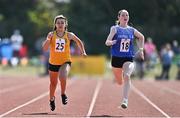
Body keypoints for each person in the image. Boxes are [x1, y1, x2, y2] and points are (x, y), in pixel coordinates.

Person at [42, 15, 87, 111]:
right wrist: (48, 39)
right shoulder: (51, 35)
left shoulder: (69, 35)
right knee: (53, 84)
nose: (60, 24)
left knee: (63, 76)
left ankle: (63, 94)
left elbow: (79, 41)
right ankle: (51, 99)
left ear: (65, 24)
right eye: (58, 23)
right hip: (53, 62)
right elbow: (45, 48)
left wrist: (83, 52)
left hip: (65, 61)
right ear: (55, 24)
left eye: (62, 22)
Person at [105, 9, 144, 109]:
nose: (125, 16)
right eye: (123, 15)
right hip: (116, 59)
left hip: (128, 58)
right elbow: (107, 41)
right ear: (119, 17)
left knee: (127, 75)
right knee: (119, 82)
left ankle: (125, 100)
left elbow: (141, 37)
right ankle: (121, 79)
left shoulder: (131, 30)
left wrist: (141, 50)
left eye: (127, 15)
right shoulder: (115, 29)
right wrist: (111, 42)